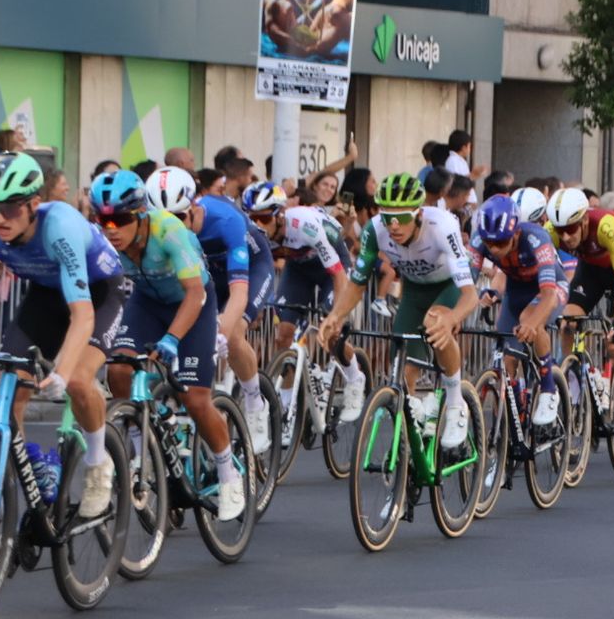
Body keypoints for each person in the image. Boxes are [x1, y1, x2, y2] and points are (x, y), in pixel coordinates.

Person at [0, 153, 130, 551]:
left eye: (9, 208)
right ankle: (30, 464)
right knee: (9, 386)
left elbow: (82, 315)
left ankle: (97, 463)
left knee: (75, 380)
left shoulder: (61, 227)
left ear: (33, 204)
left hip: (98, 292)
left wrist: (61, 370)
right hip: (45, 295)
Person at [92, 171, 246, 523]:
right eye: (103, 220)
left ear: (140, 215)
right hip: (146, 303)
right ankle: (139, 445)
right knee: (117, 369)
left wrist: (173, 338)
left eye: (119, 220)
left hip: (193, 304)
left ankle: (228, 473)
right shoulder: (104, 241)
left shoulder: (169, 232)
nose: (110, 228)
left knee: (194, 398)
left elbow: (196, 293)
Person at [319, 173, 476, 444]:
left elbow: (470, 295)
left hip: (447, 286)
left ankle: (454, 403)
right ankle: (412, 443)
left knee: (435, 322)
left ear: (418, 214)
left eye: (401, 217)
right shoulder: (373, 231)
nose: (393, 225)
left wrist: (453, 317)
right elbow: (357, 284)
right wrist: (335, 316)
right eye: (385, 215)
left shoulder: (443, 226)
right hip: (414, 290)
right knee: (402, 374)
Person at [147, 167, 274, 454]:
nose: (173, 228)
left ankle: (255, 402)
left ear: (193, 207)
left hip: (250, 268)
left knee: (234, 333)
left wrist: (221, 331)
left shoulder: (225, 220)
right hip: (207, 273)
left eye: (178, 219)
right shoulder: (167, 234)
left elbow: (239, 293)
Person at [243, 182, 367, 422]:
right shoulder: (252, 232)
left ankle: (354, 377)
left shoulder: (304, 226)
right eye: (252, 217)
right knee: (283, 336)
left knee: (331, 333)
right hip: (299, 269)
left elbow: (339, 274)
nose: (257, 224)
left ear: (279, 215)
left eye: (263, 217)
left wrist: (337, 316)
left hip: (332, 265)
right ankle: (287, 405)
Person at [548, 186, 614, 439]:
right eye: (560, 231)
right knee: (567, 323)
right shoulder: (552, 234)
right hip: (590, 271)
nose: (566, 237)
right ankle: (576, 391)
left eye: (570, 229)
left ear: (582, 221)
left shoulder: (606, 227)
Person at [469, 193, 565, 426]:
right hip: (516, 290)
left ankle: (548, 389)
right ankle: (516, 409)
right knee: (505, 355)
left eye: (501, 243)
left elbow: (549, 295)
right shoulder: (480, 241)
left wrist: (532, 324)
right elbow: (464, 285)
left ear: (516, 233)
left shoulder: (536, 238)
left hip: (550, 289)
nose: (494, 248)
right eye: (489, 243)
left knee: (530, 319)